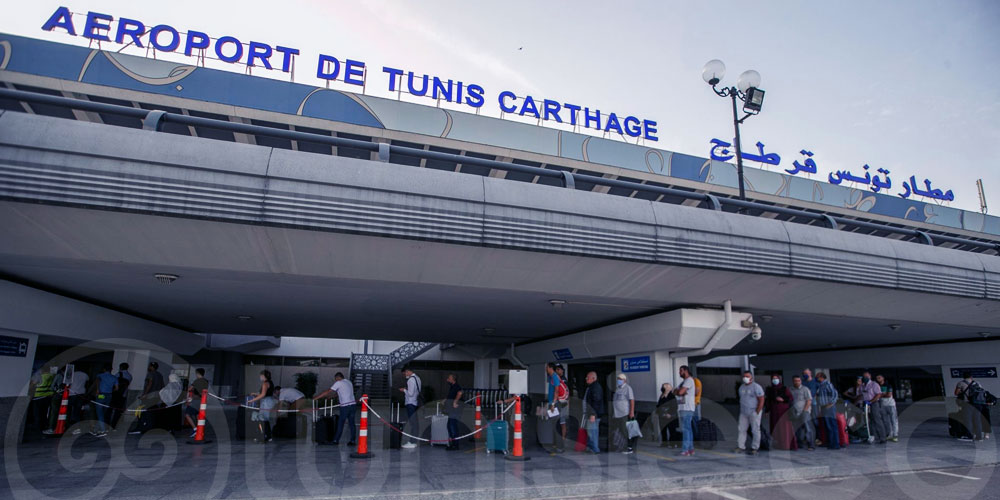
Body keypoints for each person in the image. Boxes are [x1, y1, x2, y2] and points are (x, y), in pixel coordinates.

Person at [314, 372, 357, 446]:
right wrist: (332, 397)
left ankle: (335, 441)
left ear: (338, 377)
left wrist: (316, 398)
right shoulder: (348, 382)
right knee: (352, 424)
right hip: (353, 405)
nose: (335, 381)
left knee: (340, 423)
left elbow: (328, 391)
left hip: (345, 406)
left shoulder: (338, 382)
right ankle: (352, 441)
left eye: (335, 379)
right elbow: (341, 392)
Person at [734, 371, 764, 455]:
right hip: (743, 412)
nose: (745, 378)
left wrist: (757, 411)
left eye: (747, 376)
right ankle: (741, 446)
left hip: (753, 411)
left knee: (755, 430)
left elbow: (761, 399)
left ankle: (755, 447)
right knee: (741, 429)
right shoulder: (741, 387)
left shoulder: (756, 387)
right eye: (744, 376)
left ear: (751, 377)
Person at [764, 374, 797, 450]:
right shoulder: (770, 389)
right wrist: (767, 410)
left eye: (776, 378)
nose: (775, 380)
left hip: (783, 410)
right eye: (773, 378)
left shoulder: (784, 388)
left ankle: (787, 445)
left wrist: (783, 400)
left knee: (785, 428)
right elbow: (768, 400)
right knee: (776, 428)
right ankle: (778, 445)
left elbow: (790, 398)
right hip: (774, 411)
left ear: (779, 379)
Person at [955, 371, 987, 441]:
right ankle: (979, 437)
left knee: (968, 420)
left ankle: (969, 436)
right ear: (971, 377)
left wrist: (963, 392)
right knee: (977, 420)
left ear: (963, 377)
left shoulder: (961, 383)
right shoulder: (977, 383)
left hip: (968, 404)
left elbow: (956, 393)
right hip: (978, 404)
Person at [674, 365, 697, 456]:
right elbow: (675, 391)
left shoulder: (689, 380)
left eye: (681, 371)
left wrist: (679, 391)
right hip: (683, 407)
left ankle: (685, 449)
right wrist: (679, 391)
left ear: (686, 371)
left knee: (686, 429)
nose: (679, 373)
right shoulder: (683, 382)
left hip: (687, 408)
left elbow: (679, 392)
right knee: (688, 429)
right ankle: (690, 449)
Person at [247, 370, 276, 443]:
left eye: (261, 375)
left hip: (265, 402)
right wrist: (255, 394)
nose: (260, 377)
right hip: (268, 401)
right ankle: (268, 436)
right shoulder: (270, 382)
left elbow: (263, 395)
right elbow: (264, 393)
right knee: (265, 419)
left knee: (262, 419)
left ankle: (264, 436)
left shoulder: (265, 383)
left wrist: (252, 400)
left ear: (264, 376)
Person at [814, 372, 841, 450]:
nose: (816, 378)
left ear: (821, 377)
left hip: (829, 407)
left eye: (817, 377)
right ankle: (829, 442)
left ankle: (835, 444)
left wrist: (830, 404)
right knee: (826, 425)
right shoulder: (820, 386)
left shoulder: (827, 384)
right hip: (823, 407)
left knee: (832, 425)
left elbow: (834, 394)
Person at [90, 364, 117, 437]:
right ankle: (95, 430)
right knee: (103, 413)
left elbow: (97, 382)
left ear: (104, 369)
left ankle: (103, 430)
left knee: (99, 412)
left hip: (101, 395)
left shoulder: (100, 375)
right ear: (111, 369)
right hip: (109, 396)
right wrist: (110, 391)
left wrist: (97, 390)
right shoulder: (114, 377)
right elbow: (117, 388)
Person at [861, 371, 888, 444]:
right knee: (870, 421)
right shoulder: (863, 385)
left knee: (877, 420)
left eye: (867, 376)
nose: (865, 378)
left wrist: (871, 401)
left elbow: (878, 394)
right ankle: (874, 437)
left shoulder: (874, 384)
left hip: (874, 403)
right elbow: (862, 395)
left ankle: (883, 438)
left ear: (870, 376)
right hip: (866, 404)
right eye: (864, 377)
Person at [612, 373, 637, 454]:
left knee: (625, 430)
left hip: (624, 413)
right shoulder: (618, 388)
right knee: (619, 431)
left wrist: (631, 412)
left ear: (624, 380)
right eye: (618, 379)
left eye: (620, 379)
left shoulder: (628, 388)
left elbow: (632, 400)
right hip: (617, 414)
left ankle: (629, 447)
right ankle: (621, 446)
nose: (619, 380)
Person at [789, 375, 815, 451]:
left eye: (798, 380)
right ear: (793, 381)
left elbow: (809, 400)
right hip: (795, 412)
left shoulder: (805, 389)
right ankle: (799, 444)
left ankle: (811, 444)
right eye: (795, 381)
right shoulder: (790, 389)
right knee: (797, 428)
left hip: (804, 412)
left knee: (807, 428)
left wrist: (805, 411)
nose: (797, 382)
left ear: (801, 381)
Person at [543, 362, 565, 452]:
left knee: (555, 425)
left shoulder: (555, 377)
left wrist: (552, 404)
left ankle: (560, 447)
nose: (545, 369)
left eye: (546, 367)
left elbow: (556, 391)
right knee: (553, 425)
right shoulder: (552, 377)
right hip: (553, 404)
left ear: (550, 368)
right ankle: (556, 445)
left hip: (555, 404)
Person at [398, 366, 421, 449]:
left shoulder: (411, 380)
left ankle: (412, 442)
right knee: (415, 423)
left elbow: (410, 393)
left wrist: (404, 390)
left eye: (404, 374)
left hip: (410, 403)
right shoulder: (417, 378)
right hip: (415, 402)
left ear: (408, 371)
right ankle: (413, 440)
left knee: (413, 423)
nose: (405, 375)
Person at [581, 371, 604, 454]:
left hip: (593, 414)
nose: (586, 379)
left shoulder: (596, 387)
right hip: (590, 414)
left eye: (588, 377)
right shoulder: (591, 387)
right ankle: (591, 447)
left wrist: (593, 414)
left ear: (593, 378)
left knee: (593, 431)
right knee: (590, 431)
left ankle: (595, 449)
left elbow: (596, 401)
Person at [183, 368, 210, 438]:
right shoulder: (206, 381)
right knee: (198, 416)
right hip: (202, 401)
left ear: (197, 373)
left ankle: (195, 429)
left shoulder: (197, 381)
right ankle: (200, 430)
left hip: (195, 400)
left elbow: (189, 389)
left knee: (187, 414)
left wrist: (188, 397)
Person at [30, 366, 58, 433]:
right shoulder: (51, 376)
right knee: (44, 413)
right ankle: (43, 427)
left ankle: (38, 429)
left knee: (37, 414)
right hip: (47, 396)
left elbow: (32, 385)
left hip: (38, 397)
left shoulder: (40, 376)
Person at [875, 374, 898, 442]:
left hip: (891, 405)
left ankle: (895, 435)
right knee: (886, 421)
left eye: (879, 377)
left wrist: (880, 395)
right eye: (877, 378)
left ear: (883, 378)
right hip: (883, 406)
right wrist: (882, 395)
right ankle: (890, 434)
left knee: (893, 420)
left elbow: (889, 395)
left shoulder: (888, 385)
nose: (878, 379)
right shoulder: (877, 386)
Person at [444, 373, 464, 450]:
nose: (447, 380)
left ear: (453, 379)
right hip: (452, 410)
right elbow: (452, 395)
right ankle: (453, 443)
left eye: (449, 378)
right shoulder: (452, 387)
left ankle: (455, 445)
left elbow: (460, 393)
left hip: (456, 410)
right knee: (449, 426)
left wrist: (455, 402)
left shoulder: (457, 386)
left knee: (452, 426)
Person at [67, 367, 90, 433]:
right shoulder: (85, 375)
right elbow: (87, 382)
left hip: (72, 393)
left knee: (69, 410)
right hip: (81, 394)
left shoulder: (72, 374)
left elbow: (68, 383)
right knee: (77, 410)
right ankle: (77, 427)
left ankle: (69, 424)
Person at [110, 363, 132, 429]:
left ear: (121, 367)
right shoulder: (130, 376)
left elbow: (113, 383)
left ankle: (108, 424)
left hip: (115, 395)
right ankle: (114, 425)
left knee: (110, 409)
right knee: (118, 411)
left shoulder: (118, 374)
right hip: (123, 395)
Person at [801, 369, 820, 446]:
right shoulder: (803, 382)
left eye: (807, 373)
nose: (805, 375)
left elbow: (820, 391)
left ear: (810, 373)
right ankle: (806, 438)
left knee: (815, 421)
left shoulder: (815, 382)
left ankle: (818, 438)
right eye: (804, 373)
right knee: (805, 421)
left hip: (813, 403)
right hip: (804, 404)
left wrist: (817, 395)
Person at [554, 364, 570, 448]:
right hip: (559, 404)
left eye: (561, 370)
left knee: (562, 423)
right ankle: (558, 441)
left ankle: (562, 440)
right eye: (560, 370)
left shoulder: (563, 380)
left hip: (562, 404)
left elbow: (566, 392)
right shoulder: (556, 378)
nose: (562, 371)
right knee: (558, 423)